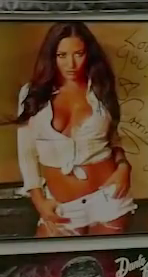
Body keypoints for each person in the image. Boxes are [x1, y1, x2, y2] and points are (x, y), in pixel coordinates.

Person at [12, 22, 133, 237]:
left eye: (79, 54)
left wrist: (124, 166)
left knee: (104, 259)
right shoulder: (32, 94)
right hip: (61, 205)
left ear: (89, 54)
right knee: (49, 258)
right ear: (51, 56)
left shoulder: (100, 88)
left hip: (108, 198)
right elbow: (26, 154)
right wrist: (39, 201)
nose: (71, 64)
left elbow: (112, 137)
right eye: (62, 55)